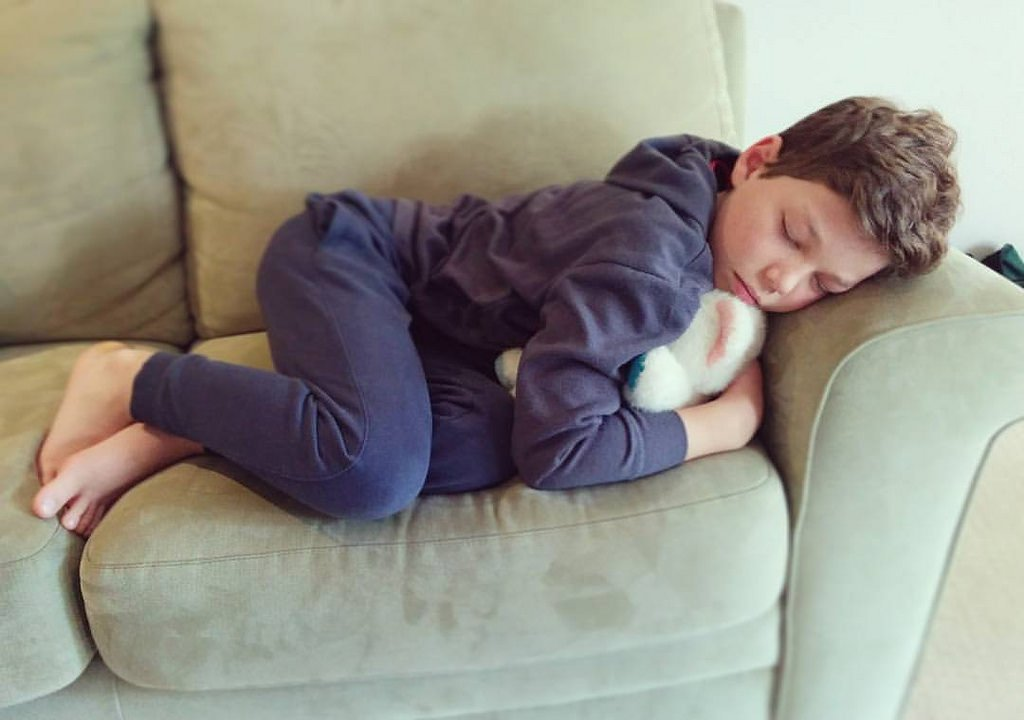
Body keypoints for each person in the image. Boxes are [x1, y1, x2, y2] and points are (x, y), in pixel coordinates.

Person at [30, 96, 960, 536]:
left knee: (483, 446)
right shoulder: (651, 258)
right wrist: (725, 425)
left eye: (824, 286)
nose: (783, 283)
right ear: (755, 159)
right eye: (793, 234)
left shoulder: (701, 200)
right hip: (346, 258)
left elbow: (533, 437)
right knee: (370, 473)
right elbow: (564, 455)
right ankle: (139, 379)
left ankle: (217, 424)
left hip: (440, 343)